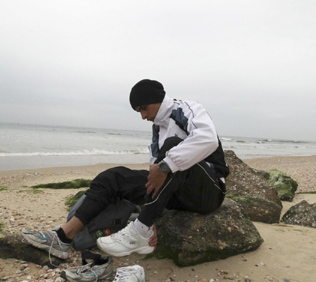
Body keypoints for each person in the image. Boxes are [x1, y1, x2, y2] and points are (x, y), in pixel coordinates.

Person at [22, 79, 229, 260]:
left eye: (144, 108)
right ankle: (63, 237)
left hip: (207, 192)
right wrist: (153, 207)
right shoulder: (157, 129)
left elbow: (208, 139)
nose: (142, 116)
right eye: (138, 111)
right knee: (113, 176)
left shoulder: (186, 109)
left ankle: (140, 230)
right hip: (176, 193)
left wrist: (167, 165)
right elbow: (154, 174)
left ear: (158, 100)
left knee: (173, 147)